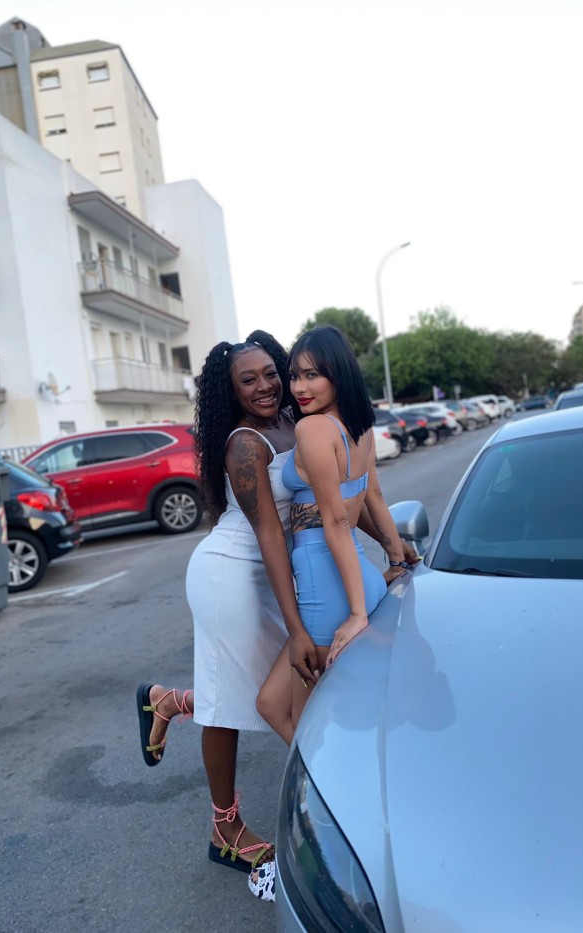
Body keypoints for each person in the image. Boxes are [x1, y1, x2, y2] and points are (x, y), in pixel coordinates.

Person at [136, 330, 305, 886]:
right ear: (231, 392)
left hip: (266, 573)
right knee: (230, 705)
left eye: (270, 373)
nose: (264, 386)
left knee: (254, 687)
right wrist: (296, 619)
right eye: (248, 380)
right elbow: (269, 533)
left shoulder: (291, 419)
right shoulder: (244, 445)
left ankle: (168, 702)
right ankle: (224, 830)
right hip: (230, 575)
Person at [258, 325, 417, 732]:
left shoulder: (313, 429)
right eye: (295, 375)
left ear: (338, 373)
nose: (298, 387)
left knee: (313, 726)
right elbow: (373, 497)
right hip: (356, 578)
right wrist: (396, 559)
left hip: (325, 587)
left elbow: (337, 520)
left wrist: (357, 613)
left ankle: (330, 779)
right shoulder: (360, 427)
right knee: (270, 704)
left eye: (312, 375)